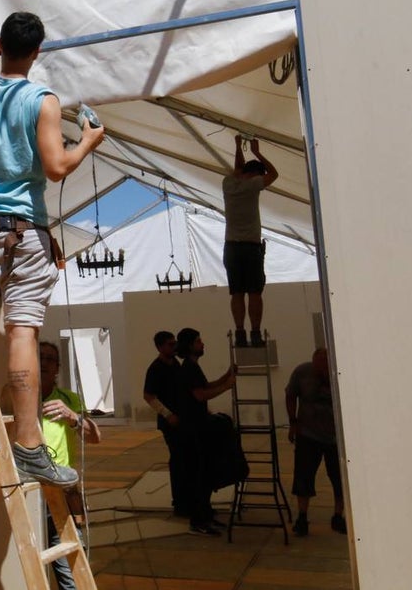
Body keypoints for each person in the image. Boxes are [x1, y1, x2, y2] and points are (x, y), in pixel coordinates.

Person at [0, 12, 104, 486]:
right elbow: (56, 168)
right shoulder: (42, 100)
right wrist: (90, 142)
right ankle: (31, 446)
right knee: (22, 334)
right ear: (37, 52)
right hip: (23, 231)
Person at [39, 341, 100, 590]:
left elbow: (95, 437)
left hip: (62, 495)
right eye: (39, 357)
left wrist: (73, 417)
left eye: (50, 359)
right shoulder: (16, 396)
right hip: (27, 493)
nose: (43, 362)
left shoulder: (69, 399)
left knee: (71, 571)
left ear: (57, 368)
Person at [174, 327, 236, 536]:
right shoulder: (189, 368)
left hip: (199, 428)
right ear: (191, 345)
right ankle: (198, 521)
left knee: (205, 474)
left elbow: (205, 386)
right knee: (199, 476)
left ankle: (205, 515)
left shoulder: (193, 367)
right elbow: (201, 395)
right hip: (193, 431)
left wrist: (225, 377)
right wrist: (227, 387)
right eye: (199, 341)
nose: (203, 344)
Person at [222, 135, 278, 347]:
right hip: (251, 247)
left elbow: (238, 169)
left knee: (236, 292)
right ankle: (255, 332)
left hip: (231, 247)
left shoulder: (228, 184)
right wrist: (257, 152)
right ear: (255, 173)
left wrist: (237, 145)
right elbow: (274, 174)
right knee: (255, 292)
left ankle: (239, 331)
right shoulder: (254, 184)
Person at [285, 348, 347, 536]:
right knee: (303, 477)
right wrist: (293, 422)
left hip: (335, 437)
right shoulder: (302, 372)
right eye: (317, 364)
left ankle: (338, 516)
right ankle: (302, 517)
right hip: (308, 435)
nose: (320, 368)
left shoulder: (340, 374)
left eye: (324, 364)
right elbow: (290, 395)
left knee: (339, 479)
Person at [142, 330, 188, 516]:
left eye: (174, 343)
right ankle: (179, 502)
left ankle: (186, 498)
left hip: (181, 419)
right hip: (170, 422)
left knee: (184, 459)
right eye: (170, 344)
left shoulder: (175, 364)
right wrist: (167, 414)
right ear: (160, 347)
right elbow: (148, 396)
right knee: (178, 460)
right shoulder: (156, 368)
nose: (174, 346)